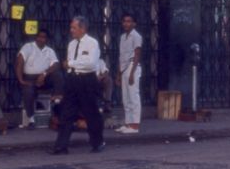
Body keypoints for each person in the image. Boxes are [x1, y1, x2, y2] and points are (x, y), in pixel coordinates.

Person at [51, 16, 105, 154]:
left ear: (83, 28)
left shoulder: (92, 43)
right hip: (72, 80)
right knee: (66, 113)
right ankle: (61, 146)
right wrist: (70, 68)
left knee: (91, 113)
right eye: (71, 27)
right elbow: (70, 64)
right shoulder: (71, 44)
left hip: (87, 80)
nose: (71, 30)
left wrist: (71, 64)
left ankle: (97, 142)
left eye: (74, 28)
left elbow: (91, 63)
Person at [15, 29, 62, 129]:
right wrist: (21, 80)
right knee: (28, 91)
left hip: (44, 78)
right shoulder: (28, 47)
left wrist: (44, 74)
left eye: (43, 37)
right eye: (39, 37)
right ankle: (31, 119)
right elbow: (20, 62)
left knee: (57, 75)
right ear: (36, 37)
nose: (41, 39)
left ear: (47, 39)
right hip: (29, 78)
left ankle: (57, 99)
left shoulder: (49, 51)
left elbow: (56, 64)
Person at [115, 13, 143, 134]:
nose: (126, 23)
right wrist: (118, 74)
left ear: (134, 23)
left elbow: (137, 54)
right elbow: (121, 57)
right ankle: (128, 124)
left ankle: (135, 126)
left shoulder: (136, 36)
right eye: (124, 21)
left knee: (133, 97)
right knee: (126, 98)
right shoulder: (123, 37)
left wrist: (132, 73)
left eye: (129, 21)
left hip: (133, 66)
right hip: (124, 67)